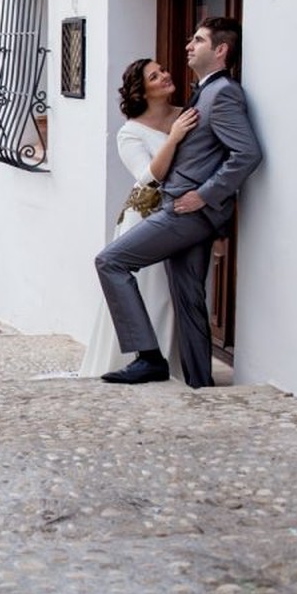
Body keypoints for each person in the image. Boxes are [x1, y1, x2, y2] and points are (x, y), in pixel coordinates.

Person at [96, 17, 263, 388]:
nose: (188, 46)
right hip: (190, 212)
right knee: (188, 299)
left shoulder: (223, 93)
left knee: (110, 261)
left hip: (186, 212)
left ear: (221, 50)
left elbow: (247, 153)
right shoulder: (204, 91)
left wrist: (204, 196)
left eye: (199, 40)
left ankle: (149, 357)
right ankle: (200, 384)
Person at [79, 58, 198, 379]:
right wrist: (172, 139)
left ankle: (176, 368)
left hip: (185, 214)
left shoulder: (187, 113)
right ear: (141, 90)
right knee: (150, 289)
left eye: (163, 70)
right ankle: (143, 357)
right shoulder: (130, 133)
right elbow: (148, 177)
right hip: (145, 217)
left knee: (174, 297)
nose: (165, 76)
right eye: (154, 76)